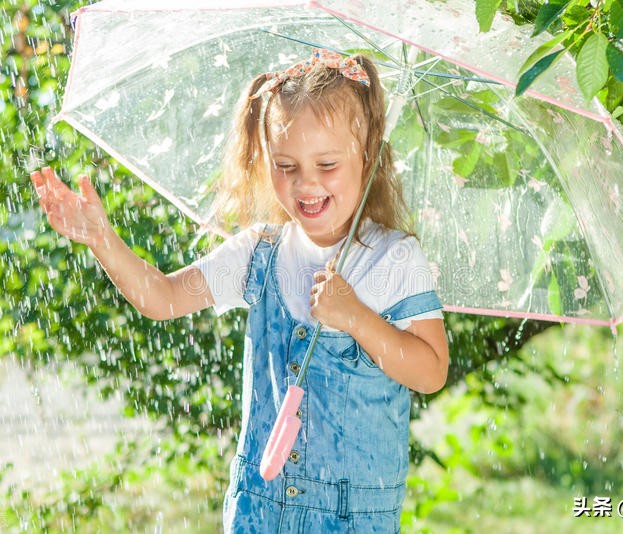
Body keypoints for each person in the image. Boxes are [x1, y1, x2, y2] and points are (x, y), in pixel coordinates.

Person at [31, 48, 449, 533]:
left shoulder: (394, 258)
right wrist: (102, 239)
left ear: (368, 154)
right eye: (285, 165)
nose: (305, 184)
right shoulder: (259, 253)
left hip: (350, 516)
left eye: (327, 163)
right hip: (259, 508)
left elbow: (431, 370)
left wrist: (357, 318)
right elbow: (162, 298)